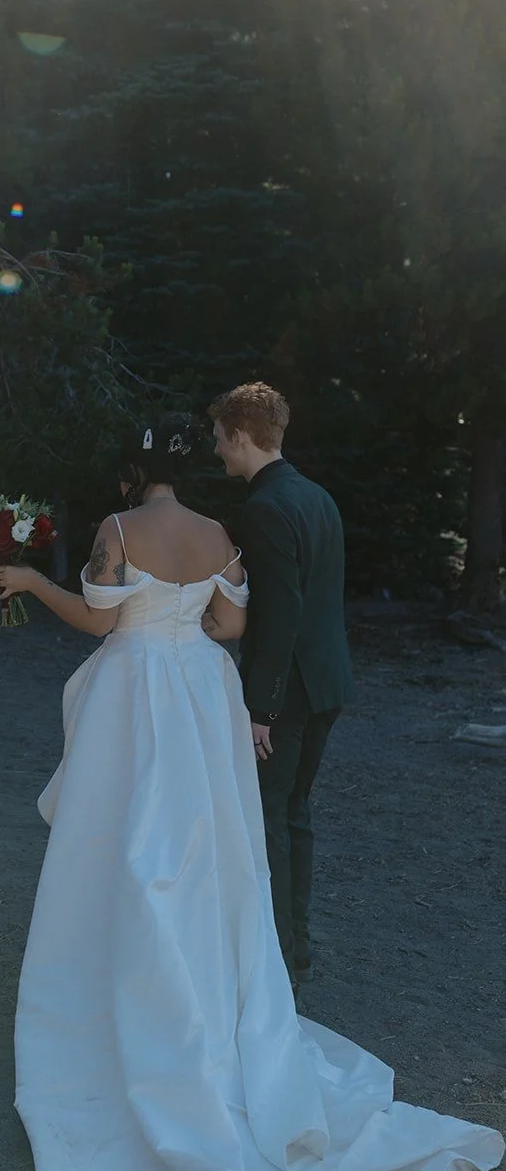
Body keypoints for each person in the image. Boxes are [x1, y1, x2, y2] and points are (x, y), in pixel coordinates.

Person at [0, 412, 502, 1171]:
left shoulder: (116, 528)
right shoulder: (219, 530)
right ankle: (200, 982)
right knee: (204, 849)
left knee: (120, 842)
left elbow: (97, 621)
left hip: (136, 692)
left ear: (132, 473)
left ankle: (113, 977)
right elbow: (229, 626)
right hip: (198, 694)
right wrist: (182, 623)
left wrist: (28, 582)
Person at [208, 383, 353, 988]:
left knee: (269, 816)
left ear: (242, 436)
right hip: (328, 683)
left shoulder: (264, 509)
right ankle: (297, 943)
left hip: (287, 693)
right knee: (295, 813)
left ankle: (279, 953)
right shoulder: (317, 497)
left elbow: (282, 616)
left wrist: (259, 708)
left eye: (220, 440)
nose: (218, 452)